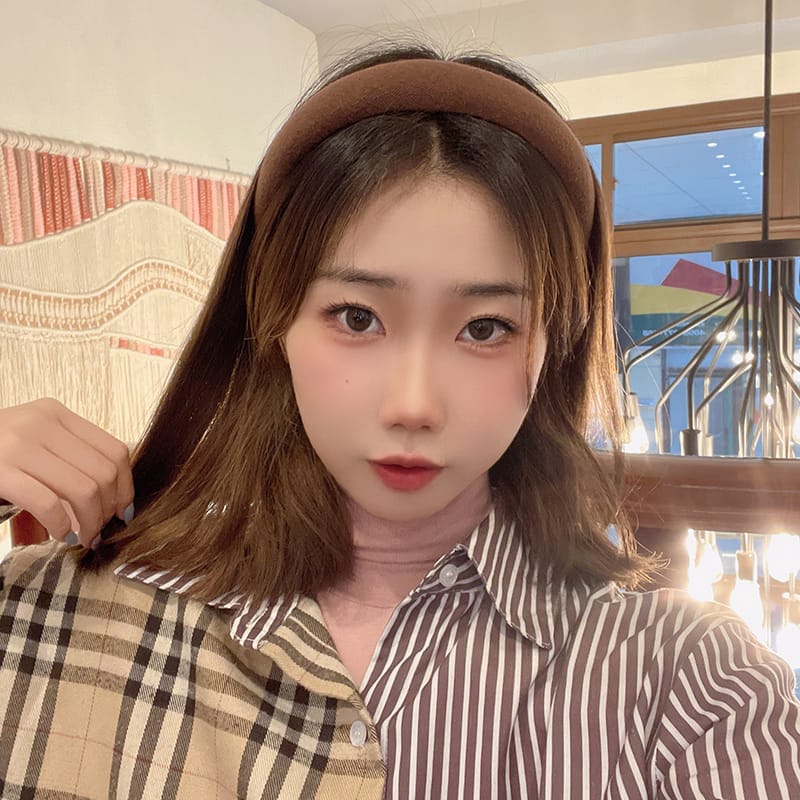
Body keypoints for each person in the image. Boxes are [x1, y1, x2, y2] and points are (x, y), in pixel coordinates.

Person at [0, 43, 799, 800]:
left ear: (553, 348)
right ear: (275, 323)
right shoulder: (56, 616)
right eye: (357, 317)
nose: (413, 406)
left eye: (485, 328)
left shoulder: (687, 686)